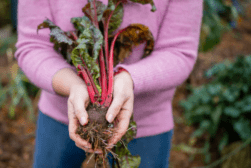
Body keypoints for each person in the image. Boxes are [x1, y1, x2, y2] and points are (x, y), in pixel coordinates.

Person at [15, 0, 203, 167]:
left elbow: (180, 53)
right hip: (60, 114)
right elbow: (33, 46)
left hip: (147, 123)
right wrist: (73, 85)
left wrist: (128, 78)